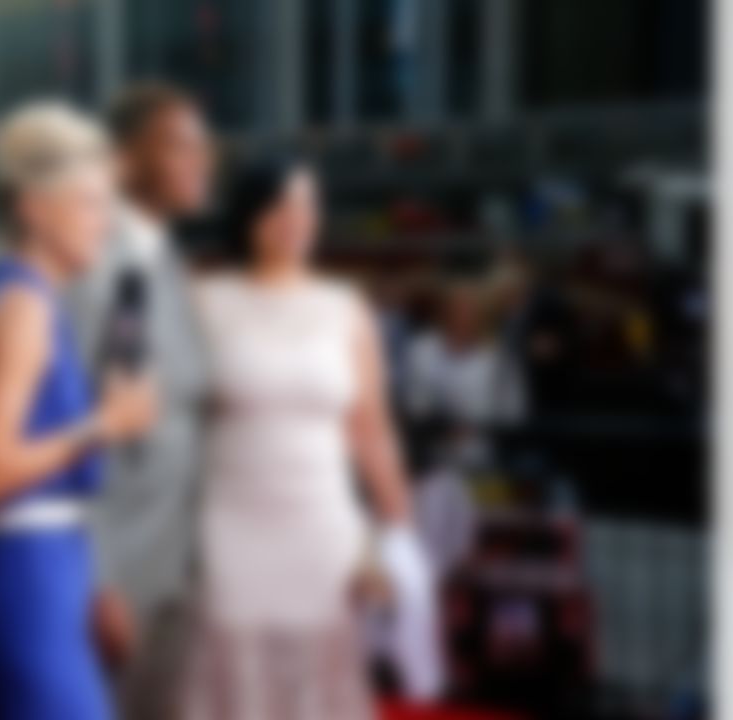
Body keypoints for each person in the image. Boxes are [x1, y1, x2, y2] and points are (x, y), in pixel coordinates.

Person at [0, 102, 155, 720]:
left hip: (38, 574)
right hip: (20, 581)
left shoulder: (15, 296)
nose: (104, 223)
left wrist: (91, 587)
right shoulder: (22, 309)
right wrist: (104, 424)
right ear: (32, 206)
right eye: (89, 202)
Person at [181, 155, 421, 719]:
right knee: (226, 686)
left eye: (307, 206)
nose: (296, 220)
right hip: (227, 529)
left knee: (319, 688)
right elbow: (174, 431)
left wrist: (400, 537)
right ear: (249, 215)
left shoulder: (346, 307)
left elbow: (373, 431)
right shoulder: (202, 301)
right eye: (280, 206)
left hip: (324, 533)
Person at [65, 82, 214, 719]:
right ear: (124, 161)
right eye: (179, 144)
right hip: (122, 564)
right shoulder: (106, 264)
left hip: (177, 556)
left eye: (203, 144)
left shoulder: (164, 257)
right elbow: (81, 425)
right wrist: (98, 581)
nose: (202, 159)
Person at [405, 279, 527, 428]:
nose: (463, 317)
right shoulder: (423, 349)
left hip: (488, 442)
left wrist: (480, 427)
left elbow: (513, 410)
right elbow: (416, 403)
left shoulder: (500, 356)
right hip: (433, 441)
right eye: (457, 310)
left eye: (470, 311)